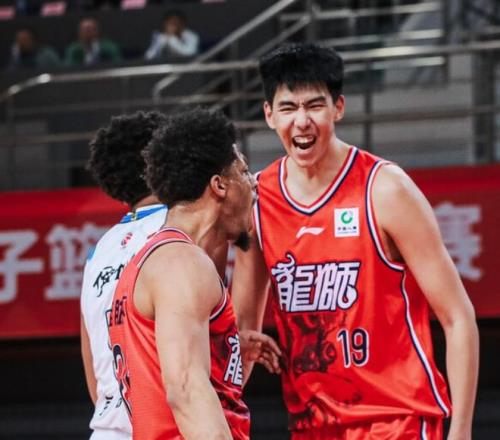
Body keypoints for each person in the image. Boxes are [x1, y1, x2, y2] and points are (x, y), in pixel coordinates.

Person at [231, 43, 479, 439]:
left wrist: (462, 431)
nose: (302, 122)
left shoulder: (386, 189)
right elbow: (243, 331)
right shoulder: (258, 201)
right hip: (311, 425)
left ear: (338, 108)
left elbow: (458, 316)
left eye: (315, 106)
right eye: (288, 108)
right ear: (268, 114)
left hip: (395, 420)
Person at [108, 108, 281, 439]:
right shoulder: (183, 264)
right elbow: (186, 390)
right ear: (219, 185)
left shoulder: (155, 259)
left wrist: (226, 350)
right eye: (244, 172)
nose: (254, 183)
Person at [81, 110, 169, 439]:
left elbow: (94, 374)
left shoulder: (98, 251)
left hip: (107, 429)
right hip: (161, 428)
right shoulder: (178, 230)